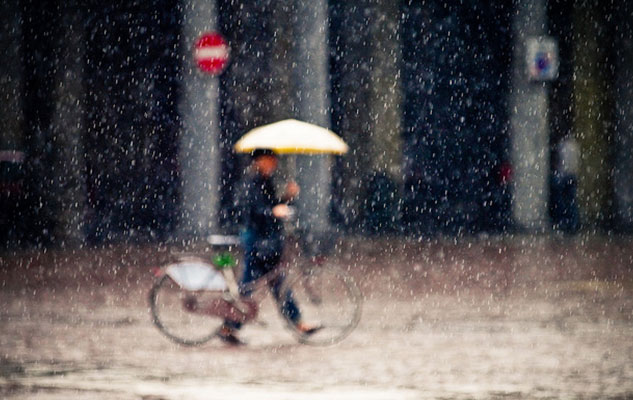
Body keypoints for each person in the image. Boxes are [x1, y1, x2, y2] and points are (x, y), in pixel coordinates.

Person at [218, 148, 320, 345]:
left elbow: (270, 205)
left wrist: (286, 198)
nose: (273, 163)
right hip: (258, 240)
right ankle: (230, 325)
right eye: (269, 159)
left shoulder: (264, 181)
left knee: (274, 283)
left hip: (267, 240)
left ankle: (231, 326)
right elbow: (253, 210)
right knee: (254, 285)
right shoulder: (251, 182)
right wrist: (273, 211)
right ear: (259, 161)